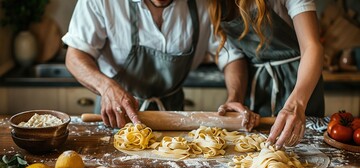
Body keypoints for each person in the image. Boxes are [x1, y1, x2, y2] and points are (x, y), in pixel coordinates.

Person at [62, 0, 259, 130]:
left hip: (173, 116)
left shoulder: (205, 4)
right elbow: (75, 55)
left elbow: (231, 56)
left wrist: (235, 97)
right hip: (116, 114)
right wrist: (106, 88)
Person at [208, 0, 325, 148]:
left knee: (306, 151)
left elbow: (312, 46)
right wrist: (235, 99)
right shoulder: (214, 4)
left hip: (299, 84)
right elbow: (235, 56)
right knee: (257, 153)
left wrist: (297, 104)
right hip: (257, 87)